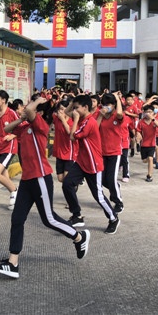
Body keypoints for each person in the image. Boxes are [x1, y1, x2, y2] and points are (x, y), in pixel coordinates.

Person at [0, 96, 91, 279]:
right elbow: (6, 129)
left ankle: (79, 237)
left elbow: (30, 111)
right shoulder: (24, 127)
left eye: (30, 106)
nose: (25, 109)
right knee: (17, 218)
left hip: (41, 177)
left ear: (40, 112)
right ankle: (13, 263)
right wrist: (21, 118)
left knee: (48, 219)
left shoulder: (40, 125)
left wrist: (37, 103)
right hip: (27, 180)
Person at [62, 95, 120, 234]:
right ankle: (76, 215)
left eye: (77, 108)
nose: (74, 111)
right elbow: (67, 112)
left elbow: (72, 136)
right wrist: (73, 101)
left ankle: (113, 218)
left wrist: (75, 119)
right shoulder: (82, 117)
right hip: (81, 162)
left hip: (93, 163)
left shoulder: (89, 122)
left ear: (85, 107)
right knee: (67, 184)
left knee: (98, 196)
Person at [97, 92, 127, 210]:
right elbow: (94, 128)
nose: (106, 106)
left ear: (114, 105)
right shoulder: (100, 114)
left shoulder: (116, 116)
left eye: (109, 104)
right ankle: (115, 187)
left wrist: (118, 99)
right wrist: (101, 115)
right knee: (103, 179)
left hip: (114, 152)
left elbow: (119, 113)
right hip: (102, 152)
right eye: (104, 104)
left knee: (111, 178)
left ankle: (118, 202)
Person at [52, 99, 77, 183]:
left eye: (63, 109)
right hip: (59, 151)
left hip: (69, 151)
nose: (61, 111)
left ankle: (73, 185)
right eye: (60, 109)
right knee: (60, 178)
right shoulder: (56, 118)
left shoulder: (72, 121)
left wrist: (63, 120)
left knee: (67, 177)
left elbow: (69, 132)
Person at [135, 105, 158, 183]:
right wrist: (138, 137)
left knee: (150, 159)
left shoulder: (154, 121)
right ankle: (150, 159)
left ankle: (149, 175)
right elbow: (138, 131)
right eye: (146, 112)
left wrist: (152, 118)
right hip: (143, 144)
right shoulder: (141, 122)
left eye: (150, 112)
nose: (148, 113)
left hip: (152, 144)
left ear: (153, 112)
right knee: (144, 160)